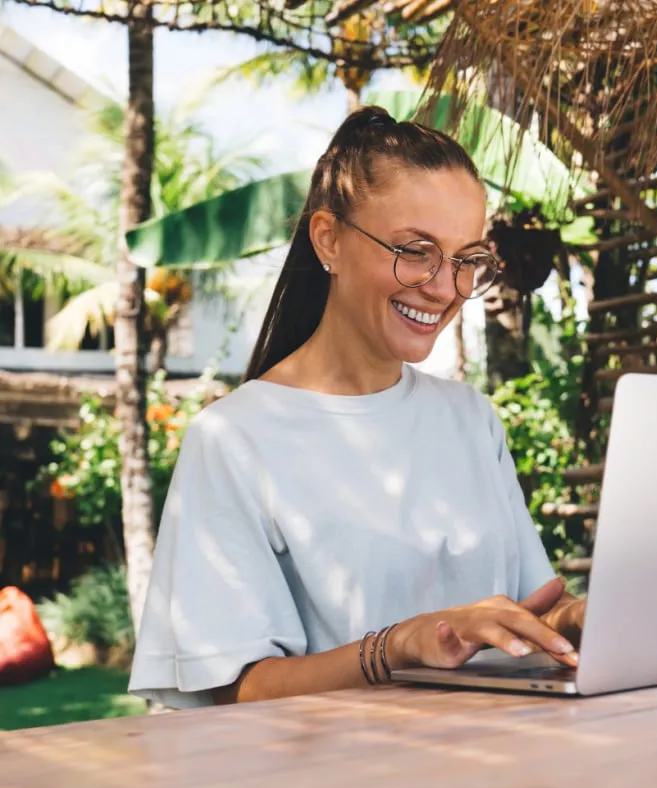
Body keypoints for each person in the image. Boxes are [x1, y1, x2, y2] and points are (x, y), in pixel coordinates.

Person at [129, 106, 585, 709]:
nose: (444, 287)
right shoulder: (235, 439)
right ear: (329, 240)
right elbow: (232, 691)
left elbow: (528, 610)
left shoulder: (472, 420)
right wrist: (395, 647)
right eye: (415, 250)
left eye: (467, 259)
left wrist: (576, 616)